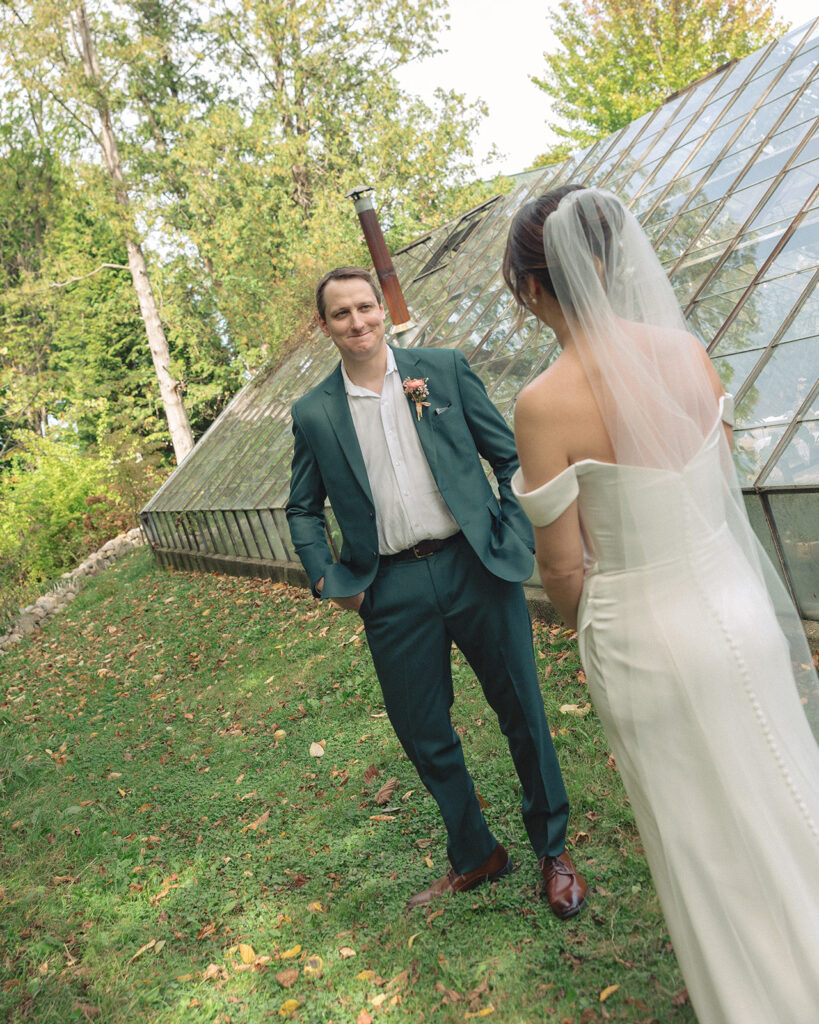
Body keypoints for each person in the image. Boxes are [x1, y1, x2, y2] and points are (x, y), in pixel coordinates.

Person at [503, 186, 819, 1023]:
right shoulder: (683, 351)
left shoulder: (542, 403)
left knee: (700, 836)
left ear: (534, 290)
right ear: (608, 262)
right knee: (786, 784)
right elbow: (715, 487)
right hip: (734, 602)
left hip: (646, 631)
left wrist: (591, 627)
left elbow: (563, 566)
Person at [286, 266, 587, 916]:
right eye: (341, 314)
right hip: (387, 588)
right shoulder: (312, 412)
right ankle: (476, 852)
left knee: (522, 713)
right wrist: (328, 579)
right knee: (423, 732)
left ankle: (553, 849)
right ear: (324, 326)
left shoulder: (442, 370)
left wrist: (510, 530)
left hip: (475, 567)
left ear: (379, 309)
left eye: (365, 307)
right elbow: (301, 509)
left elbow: (510, 458)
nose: (357, 321)